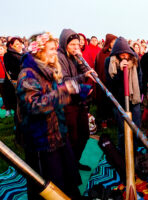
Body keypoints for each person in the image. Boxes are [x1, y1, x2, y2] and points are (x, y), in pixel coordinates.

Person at [17, 32, 85, 199]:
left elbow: (54, 96)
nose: (55, 52)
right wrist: (63, 91)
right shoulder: (28, 74)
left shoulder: (49, 70)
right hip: (42, 141)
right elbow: (33, 105)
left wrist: (77, 92)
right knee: (48, 185)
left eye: (56, 48)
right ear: (39, 51)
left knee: (67, 178)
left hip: (58, 135)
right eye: (51, 49)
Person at [57, 29, 96, 171]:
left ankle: (75, 161)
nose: (76, 47)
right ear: (64, 44)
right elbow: (65, 81)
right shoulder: (59, 57)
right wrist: (83, 76)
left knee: (84, 134)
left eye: (78, 45)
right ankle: (68, 166)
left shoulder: (75, 56)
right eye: (72, 44)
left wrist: (81, 60)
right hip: (67, 103)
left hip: (79, 100)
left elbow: (85, 69)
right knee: (71, 137)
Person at [105, 36, 142, 153]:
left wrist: (139, 94)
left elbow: (140, 77)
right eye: (121, 54)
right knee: (122, 130)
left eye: (126, 53)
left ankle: (134, 152)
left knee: (135, 128)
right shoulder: (109, 62)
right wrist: (121, 72)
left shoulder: (135, 59)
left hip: (133, 100)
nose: (125, 56)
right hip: (119, 100)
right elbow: (110, 82)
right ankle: (122, 153)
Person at [94, 33, 117, 129]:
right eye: (112, 41)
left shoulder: (116, 52)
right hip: (103, 82)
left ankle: (112, 120)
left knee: (112, 102)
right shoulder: (101, 53)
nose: (114, 43)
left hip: (113, 82)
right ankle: (103, 121)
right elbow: (98, 68)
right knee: (103, 102)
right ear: (108, 42)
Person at [3, 37, 24, 112]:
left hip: (23, 83)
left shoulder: (23, 54)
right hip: (14, 84)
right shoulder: (8, 55)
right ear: (11, 45)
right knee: (17, 107)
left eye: (20, 44)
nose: (19, 45)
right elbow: (13, 68)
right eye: (17, 44)